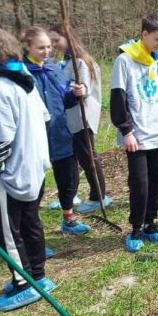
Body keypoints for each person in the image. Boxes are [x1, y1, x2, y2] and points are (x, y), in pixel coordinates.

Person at [0, 27, 56, 311]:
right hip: (35, 167)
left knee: (8, 232)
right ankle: (38, 276)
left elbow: (0, 138)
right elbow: (44, 117)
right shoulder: (25, 80)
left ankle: (25, 284)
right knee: (31, 223)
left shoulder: (0, 89)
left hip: (12, 174)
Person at [111, 14, 158, 253]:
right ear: (144, 34)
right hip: (136, 136)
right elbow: (118, 98)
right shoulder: (124, 61)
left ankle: (150, 224)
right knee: (140, 184)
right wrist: (126, 130)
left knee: (156, 182)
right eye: (157, 39)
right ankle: (136, 228)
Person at [22, 26, 90, 236]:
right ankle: (31, 231)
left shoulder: (54, 69)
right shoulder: (21, 73)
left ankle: (68, 219)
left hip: (61, 133)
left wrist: (77, 93)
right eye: (41, 47)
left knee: (68, 178)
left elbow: (64, 98)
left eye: (49, 47)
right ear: (27, 46)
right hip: (35, 137)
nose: (46, 51)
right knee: (35, 186)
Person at [49, 24, 113, 214]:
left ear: (68, 38)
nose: (54, 45)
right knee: (76, 157)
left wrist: (77, 91)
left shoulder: (80, 62)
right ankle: (72, 194)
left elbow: (82, 89)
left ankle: (98, 195)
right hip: (73, 118)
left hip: (81, 118)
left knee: (88, 156)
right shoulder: (68, 61)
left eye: (56, 40)